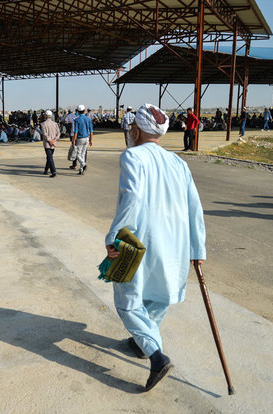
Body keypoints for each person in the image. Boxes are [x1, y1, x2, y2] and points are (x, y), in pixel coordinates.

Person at [105, 103, 206, 392]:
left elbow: (132, 199)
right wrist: (197, 249)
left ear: (136, 129)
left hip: (140, 240)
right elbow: (194, 208)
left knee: (128, 301)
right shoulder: (178, 162)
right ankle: (140, 342)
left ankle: (156, 355)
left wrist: (114, 236)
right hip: (175, 243)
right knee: (160, 295)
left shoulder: (132, 156)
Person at [71, 104, 93, 175]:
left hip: (80, 138)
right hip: (87, 138)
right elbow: (91, 130)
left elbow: (76, 131)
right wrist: (91, 140)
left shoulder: (76, 119)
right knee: (83, 154)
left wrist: (73, 140)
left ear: (78, 111)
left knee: (77, 154)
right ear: (84, 110)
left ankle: (83, 164)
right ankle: (81, 169)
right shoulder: (88, 119)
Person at [40, 110, 60, 178]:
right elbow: (58, 134)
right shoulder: (55, 124)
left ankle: (53, 171)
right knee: (49, 156)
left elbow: (45, 134)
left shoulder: (43, 124)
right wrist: (54, 140)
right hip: (54, 143)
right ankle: (46, 169)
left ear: (45, 116)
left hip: (47, 144)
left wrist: (50, 141)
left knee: (49, 157)